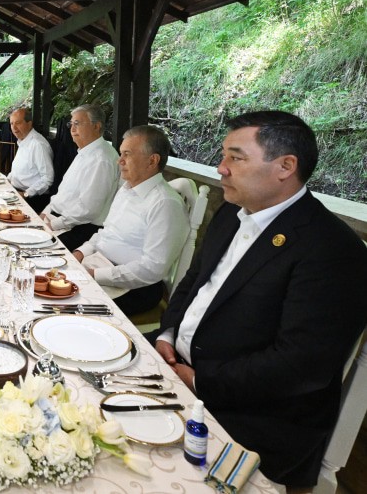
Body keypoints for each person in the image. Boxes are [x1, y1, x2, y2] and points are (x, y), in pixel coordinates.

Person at [154, 110, 367, 490]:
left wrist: (201, 381)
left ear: (285, 166)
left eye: (236, 158)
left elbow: (301, 365)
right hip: (178, 364)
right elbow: (192, 283)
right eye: (224, 155)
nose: (221, 168)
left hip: (254, 412)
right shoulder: (231, 213)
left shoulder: (332, 249)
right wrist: (168, 334)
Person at [73, 125, 189, 316]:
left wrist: (96, 275)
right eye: (121, 153)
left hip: (135, 288)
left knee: (66, 307)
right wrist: (80, 253)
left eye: (127, 154)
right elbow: (106, 233)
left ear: (152, 160)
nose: (119, 160)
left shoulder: (165, 203)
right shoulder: (127, 189)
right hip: (98, 264)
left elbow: (152, 268)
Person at [40, 104, 119, 250]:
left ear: (96, 126)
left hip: (79, 228)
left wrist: (53, 224)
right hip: (60, 219)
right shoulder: (85, 151)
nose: (72, 129)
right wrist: (45, 212)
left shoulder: (102, 159)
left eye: (77, 123)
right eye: (71, 124)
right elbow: (63, 194)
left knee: (32, 249)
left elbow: (88, 209)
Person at [5, 107, 54, 213]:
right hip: (16, 191)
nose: (14, 128)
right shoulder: (23, 140)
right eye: (12, 124)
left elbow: (48, 178)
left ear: (29, 124)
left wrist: (26, 194)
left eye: (18, 123)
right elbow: (17, 172)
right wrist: (5, 181)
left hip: (32, 199)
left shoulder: (38, 144)